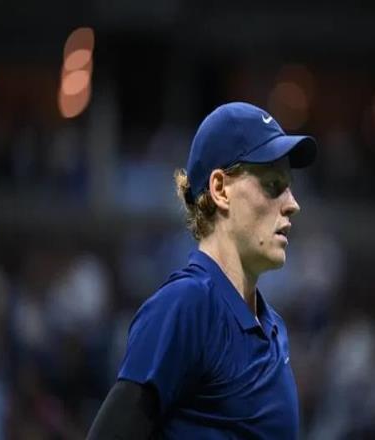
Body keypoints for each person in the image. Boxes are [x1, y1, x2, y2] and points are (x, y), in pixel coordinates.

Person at [86, 102, 317, 439]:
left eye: (290, 186)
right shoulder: (187, 306)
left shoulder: (273, 328)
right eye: (272, 185)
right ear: (220, 189)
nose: (292, 204)